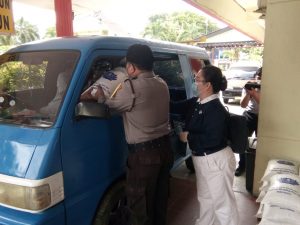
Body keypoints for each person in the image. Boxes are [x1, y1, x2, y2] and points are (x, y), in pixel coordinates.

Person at [98, 44, 173, 225]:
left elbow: (104, 103)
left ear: (131, 67)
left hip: (144, 158)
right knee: (158, 202)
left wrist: (98, 92)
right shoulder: (162, 84)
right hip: (165, 150)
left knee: (140, 209)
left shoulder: (130, 89)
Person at [171, 65, 239, 225]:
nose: (195, 82)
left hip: (216, 159)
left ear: (208, 85)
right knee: (206, 198)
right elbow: (173, 106)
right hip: (202, 159)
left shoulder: (216, 109)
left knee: (223, 204)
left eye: (197, 79)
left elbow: (212, 139)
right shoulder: (197, 102)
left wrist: (188, 136)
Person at [235, 67, 262, 176]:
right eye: (258, 77)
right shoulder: (250, 86)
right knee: (242, 139)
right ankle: (242, 165)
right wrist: (248, 93)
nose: (258, 80)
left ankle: (256, 166)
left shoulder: (269, 87)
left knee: (261, 143)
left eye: (261, 78)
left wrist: (255, 93)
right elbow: (243, 105)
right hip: (249, 115)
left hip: (263, 116)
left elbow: (264, 103)